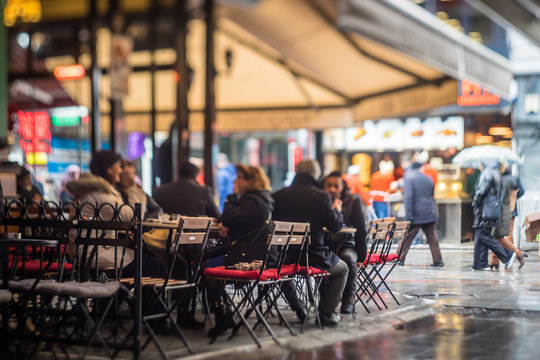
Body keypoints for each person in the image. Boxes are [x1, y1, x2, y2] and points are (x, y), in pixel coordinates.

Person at [272, 159, 348, 327]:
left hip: (284, 256)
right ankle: (326, 314)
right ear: (316, 175)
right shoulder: (320, 196)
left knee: (282, 270)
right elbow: (335, 227)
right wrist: (337, 210)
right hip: (313, 256)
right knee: (342, 269)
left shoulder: (278, 195)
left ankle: (299, 308)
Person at [204, 164, 274, 337]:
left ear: (251, 181)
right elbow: (233, 220)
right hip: (257, 253)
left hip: (248, 256)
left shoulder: (252, 201)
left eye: (240, 177)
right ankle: (223, 312)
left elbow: (226, 216)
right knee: (206, 258)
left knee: (204, 267)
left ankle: (223, 314)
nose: (235, 180)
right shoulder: (262, 199)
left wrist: (233, 196)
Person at [323, 171, 367, 315]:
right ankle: (325, 302)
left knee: (347, 258)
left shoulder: (353, 200)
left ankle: (348, 301)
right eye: (329, 185)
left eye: (336, 186)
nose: (332, 189)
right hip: (326, 244)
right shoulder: (321, 201)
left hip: (348, 244)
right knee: (322, 260)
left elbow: (360, 229)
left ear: (343, 187)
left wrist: (361, 256)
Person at [395, 159, 444, 267]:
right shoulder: (429, 178)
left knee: (407, 237)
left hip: (416, 213)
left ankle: (399, 258)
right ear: (420, 168)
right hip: (429, 212)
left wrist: (409, 215)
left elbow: (408, 197)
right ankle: (438, 260)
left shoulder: (409, 178)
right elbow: (431, 195)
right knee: (432, 237)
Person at [471, 160, 515, 271]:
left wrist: (475, 202)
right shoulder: (496, 174)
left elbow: (481, 192)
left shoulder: (487, 174)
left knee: (483, 235)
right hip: (490, 209)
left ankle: (507, 255)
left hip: (484, 210)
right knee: (479, 235)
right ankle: (479, 263)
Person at [153, 160, 220, 218]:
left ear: (179, 173)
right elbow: (216, 215)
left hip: (165, 231)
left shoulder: (160, 190)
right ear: (196, 175)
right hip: (196, 232)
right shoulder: (204, 192)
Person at [490, 165, 527, 269]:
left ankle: (495, 260)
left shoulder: (497, 179)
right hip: (511, 211)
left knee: (496, 235)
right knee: (508, 235)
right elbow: (522, 192)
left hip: (499, 210)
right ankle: (511, 256)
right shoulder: (514, 179)